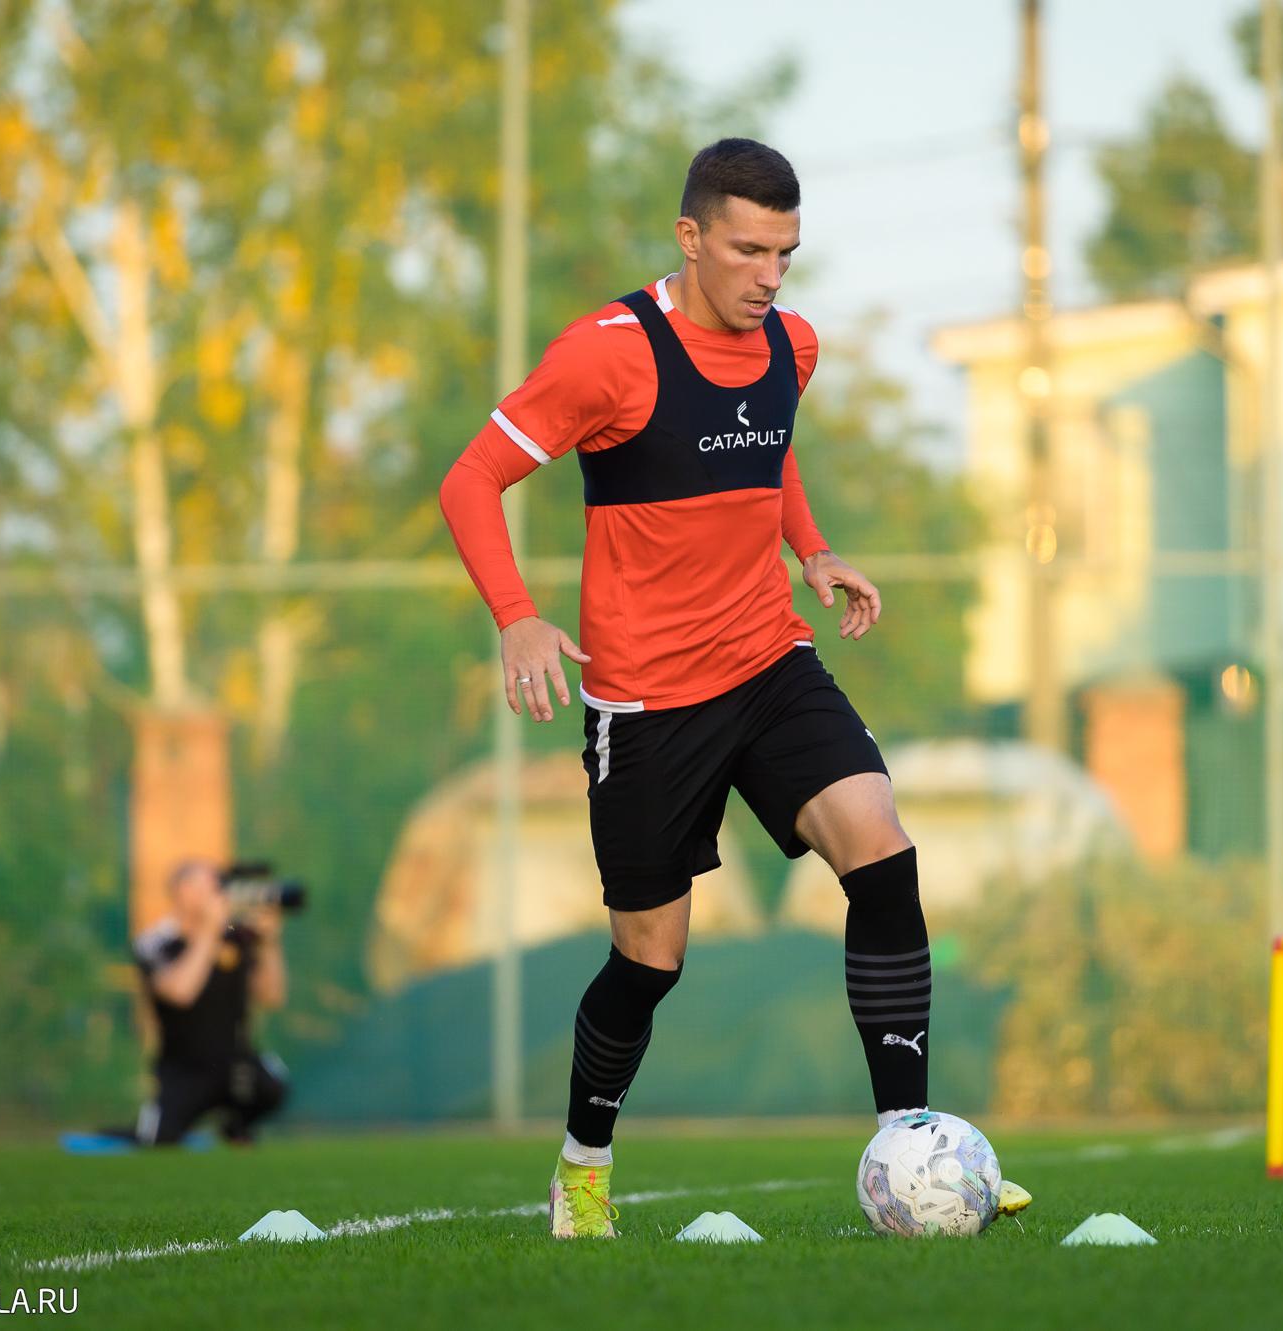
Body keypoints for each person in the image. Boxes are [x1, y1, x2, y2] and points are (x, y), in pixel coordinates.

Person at [439, 138, 1029, 1237]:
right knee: (648, 959)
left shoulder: (791, 345)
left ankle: (912, 1142)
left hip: (767, 660)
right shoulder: (606, 355)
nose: (769, 275)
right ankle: (581, 1164)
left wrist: (811, 549)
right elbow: (471, 478)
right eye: (749, 250)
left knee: (881, 846)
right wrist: (515, 616)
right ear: (690, 236)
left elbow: (770, 452)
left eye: (786, 253)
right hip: (646, 702)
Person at [128, 859, 291, 1145]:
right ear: (184, 891)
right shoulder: (157, 941)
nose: (221, 892)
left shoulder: (237, 938)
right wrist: (208, 931)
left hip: (235, 1067)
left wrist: (269, 943)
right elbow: (180, 993)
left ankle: (235, 1127)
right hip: (184, 1070)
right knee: (158, 1138)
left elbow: (271, 997)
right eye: (212, 885)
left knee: (273, 1087)